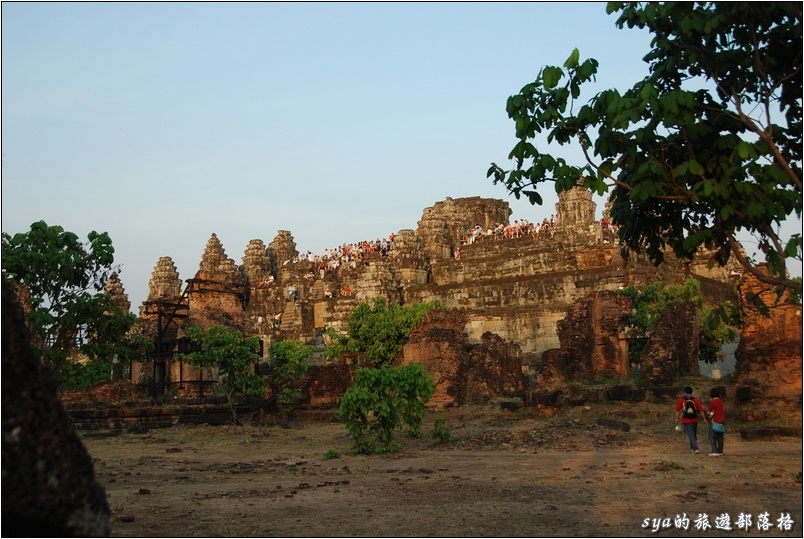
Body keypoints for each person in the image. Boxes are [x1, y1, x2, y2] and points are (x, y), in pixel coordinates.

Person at [675, 386, 708, 453]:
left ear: (685, 392)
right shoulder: (695, 400)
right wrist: (704, 419)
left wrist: (677, 418)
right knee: (693, 434)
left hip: (686, 420)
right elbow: (701, 410)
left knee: (691, 435)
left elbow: (677, 410)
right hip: (695, 420)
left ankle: (695, 448)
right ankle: (692, 448)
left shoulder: (682, 400)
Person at [707, 388, 725, 456]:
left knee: (712, 437)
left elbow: (709, 412)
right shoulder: (721, 402)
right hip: (722, 421)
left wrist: (710, 414)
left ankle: (714, 451)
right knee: (720, 437)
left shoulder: (712, 402)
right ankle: (720, 451)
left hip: (715, 421)